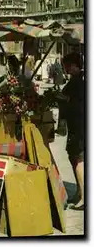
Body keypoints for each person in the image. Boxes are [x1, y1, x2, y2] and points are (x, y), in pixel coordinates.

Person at [57, 53, 84, 210]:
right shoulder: (79, 80)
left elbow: (65, 98)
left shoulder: (76, 82)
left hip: (78, 127)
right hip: (78, 126)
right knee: (74, 157)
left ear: (74, 65)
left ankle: (84, 197)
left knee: (78, 159)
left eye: (67, 65)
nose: (65, 68)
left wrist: (56, 95)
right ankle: (80, 192)